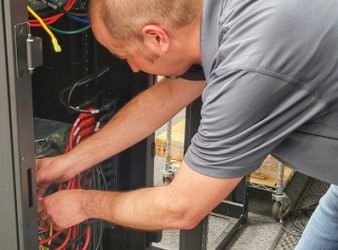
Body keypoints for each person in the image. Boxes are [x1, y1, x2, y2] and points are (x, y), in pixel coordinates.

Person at [37, 0, 338, 248]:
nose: (132, 67)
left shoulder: (249, 65)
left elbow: (181, 208)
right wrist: (66, 164)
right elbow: (168, 94)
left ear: (157, 37)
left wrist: (83, 205)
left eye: (127, 55)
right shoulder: (223, 16)